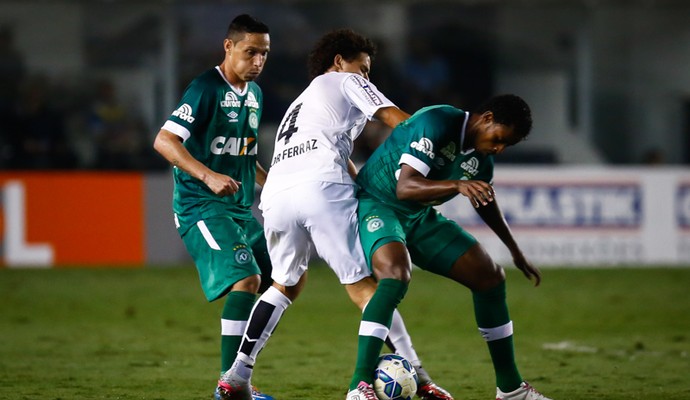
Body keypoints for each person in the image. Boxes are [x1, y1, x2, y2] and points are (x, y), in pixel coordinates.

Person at [217, 29, 453, 400]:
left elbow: (336, 151)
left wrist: (361, 183)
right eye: (365, 68)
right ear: (341, 61)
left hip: (277, 194)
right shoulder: (344, 81)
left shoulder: (302, 102)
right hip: (320, 188)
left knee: (285, 284)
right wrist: (441, 135)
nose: (367, 78)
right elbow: (398, 119)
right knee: (366, 288)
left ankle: (236, 375)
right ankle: (405, 380)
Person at [348, 95, 554, 400]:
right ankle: (358, 386)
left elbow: (485, 201)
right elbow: (405, 187)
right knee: (395, 275)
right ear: (486, 118)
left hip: (418, 217)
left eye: (505, 146)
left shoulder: (481, 157)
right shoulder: (438, 121)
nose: (498, 148)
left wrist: (514, 250)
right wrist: (457, 185)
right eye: (498, 138)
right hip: (379, 205)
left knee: (490, 277)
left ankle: (511, 390)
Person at [152, 14, 274, 400]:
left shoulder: (254, 96)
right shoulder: (205, 88)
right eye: (250, 52)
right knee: (247, 280)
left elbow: (246, 157)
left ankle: (239, 375)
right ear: (228, 47)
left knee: (280, 279)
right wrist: (207, 176)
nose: (257, 61)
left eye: (264, 54)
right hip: (201, 206)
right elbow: (165, 141)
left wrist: (275, 187)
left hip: (238, 210)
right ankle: (231, 385)